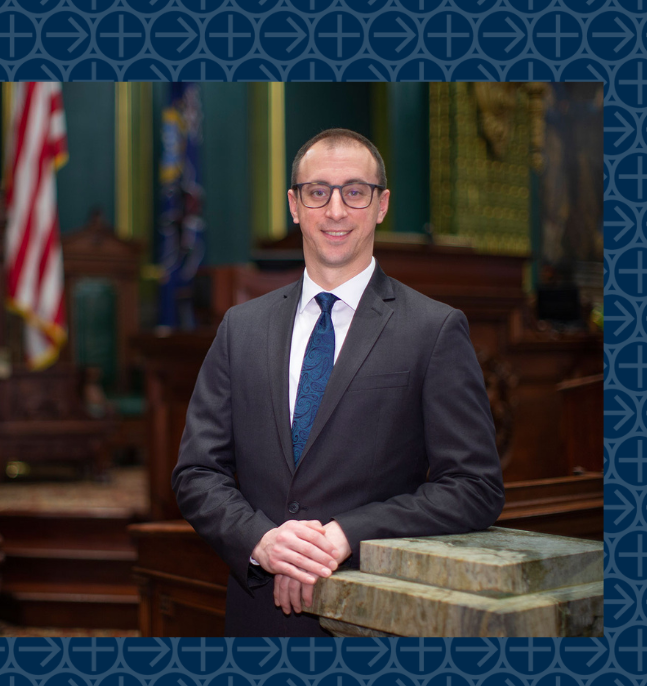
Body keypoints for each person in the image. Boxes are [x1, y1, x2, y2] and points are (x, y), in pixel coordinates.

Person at [171, 128, 505, 636]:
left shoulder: (433, 329)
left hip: (373, 614)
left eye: (355, 191)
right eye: (317, 192)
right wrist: (263, 542)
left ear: (381, 205)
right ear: (294, 204)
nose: (335, 210)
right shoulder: (241, 327)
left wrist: (347, 534)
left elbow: (475, 487)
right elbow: (196, 472)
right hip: (259, 613)